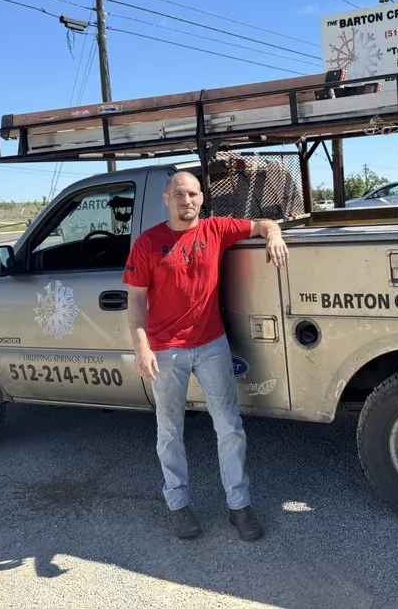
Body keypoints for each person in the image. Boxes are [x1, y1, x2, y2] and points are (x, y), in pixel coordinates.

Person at [123, 170, 290, 541]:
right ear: (166, 198)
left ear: (202, 198)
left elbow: (264, 223)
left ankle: (239, 506)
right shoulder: (148, 244)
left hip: (212, 344)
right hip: (165, 351)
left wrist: (274, 236)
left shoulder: (216, 229)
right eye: (180, 194)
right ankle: (179, 506)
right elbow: (134, 301)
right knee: (169, 431)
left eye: (194, 194)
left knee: (229, 426)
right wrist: (141, 347)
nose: (187, 201)